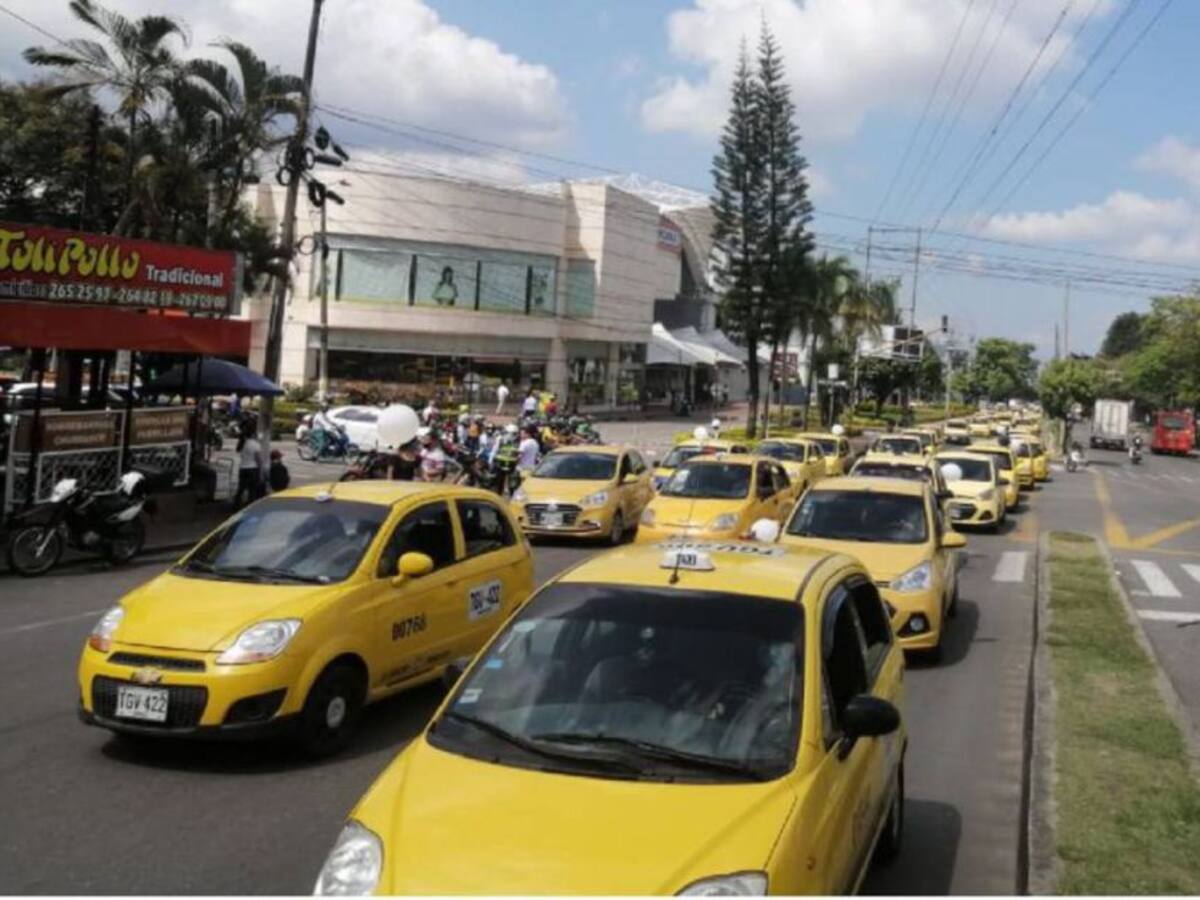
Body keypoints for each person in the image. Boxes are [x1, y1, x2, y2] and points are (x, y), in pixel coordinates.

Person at [233, 421, 263, 508]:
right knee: (252, 491)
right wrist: (261, 472)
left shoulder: (242, 444)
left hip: (242, 468)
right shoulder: (255, 445)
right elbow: (258, 460)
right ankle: (249, 507)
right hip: (252, 469)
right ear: (254, 434)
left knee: (241, 488)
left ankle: (236, 505)